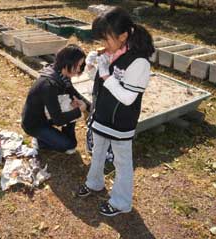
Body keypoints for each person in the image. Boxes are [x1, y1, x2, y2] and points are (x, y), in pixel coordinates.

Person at [78, 7, 155, 216]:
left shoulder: (139, 62)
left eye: (106, 40)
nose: (104, 45)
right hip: (102, 115)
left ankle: (121, 202)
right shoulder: (115, 52)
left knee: (122, 163)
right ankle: (94, 183)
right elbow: (103, 81)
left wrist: (105, 75)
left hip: (121, 121)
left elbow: (128, 98)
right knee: (98, 152)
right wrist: (93, 67)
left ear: (123, 36)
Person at [21, 44, 90, 155]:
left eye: (80, 66)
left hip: (46, 116)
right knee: (70, 145)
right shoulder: (49, 85)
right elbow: (58, 120)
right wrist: (80, 110)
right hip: (35, 124)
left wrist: (87, 104)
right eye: (77, 66)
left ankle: (49, 137)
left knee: (72, 111)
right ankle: (40, 141)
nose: (78, 70)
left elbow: (73, 92)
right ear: (67, 62)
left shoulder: (61, 74)